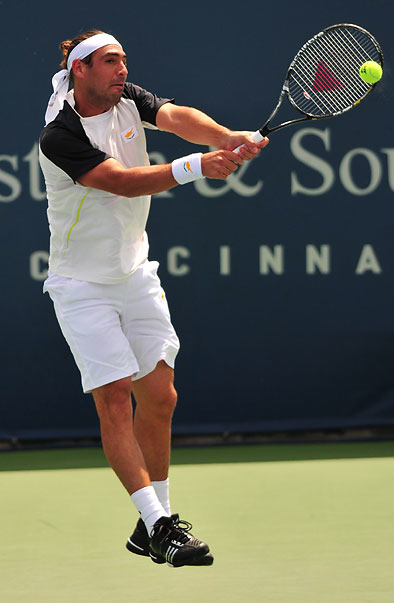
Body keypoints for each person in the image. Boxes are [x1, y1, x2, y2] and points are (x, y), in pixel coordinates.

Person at [39, 29, 268, 568]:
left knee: (161, 397)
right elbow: (119, 181)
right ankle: (159, 523)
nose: (122, 69)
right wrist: (197, 167)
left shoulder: (126, 97)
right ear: (79, 70)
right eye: (110, 61)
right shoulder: (60, 134)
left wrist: (224, 136)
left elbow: (174, 116)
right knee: (115, 398)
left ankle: (151, 528)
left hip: (135, 273)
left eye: (123, 60)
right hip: (82, 286)